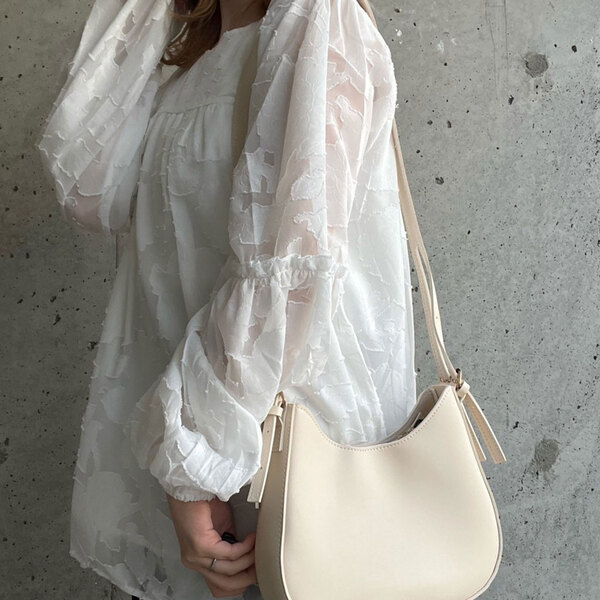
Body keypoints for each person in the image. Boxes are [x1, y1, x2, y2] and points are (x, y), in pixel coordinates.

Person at [36, 0, 417, 597]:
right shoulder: (190, 62)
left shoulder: (315, 17)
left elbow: (289, 272)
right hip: (200, 458)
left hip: (282, 458)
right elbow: (88, 186)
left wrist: (191, 469)